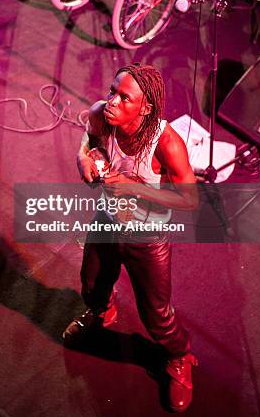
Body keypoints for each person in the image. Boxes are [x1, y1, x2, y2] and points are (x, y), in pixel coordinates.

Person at [63, 64, 199, 412]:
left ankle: (179, 357)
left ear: (146, 107)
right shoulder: (99, 114)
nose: (112, 102)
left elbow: (189, 199)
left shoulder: (166, 143)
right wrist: (84, 163)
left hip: (147, 237)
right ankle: (101, 311)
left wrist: (136, 189)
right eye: (113, 91)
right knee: (92, 284)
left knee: (156, 314)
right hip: (107, 222)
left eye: (125, 99)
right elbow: (87, 147)